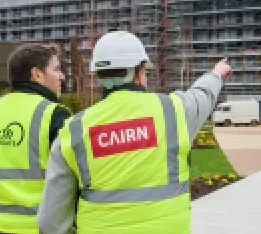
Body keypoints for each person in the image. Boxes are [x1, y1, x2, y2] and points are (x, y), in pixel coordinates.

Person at [37, 31, 232, 234]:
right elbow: (203, 95)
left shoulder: (73, 130)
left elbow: (50, 222)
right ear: (139, 74)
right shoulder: (175, 111)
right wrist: (216, 74)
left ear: (99, 77)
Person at [0, 44, 71, 234]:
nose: (62, 76)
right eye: (57, 69)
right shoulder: (54, 115)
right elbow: (70, 181)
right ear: (37, 74)